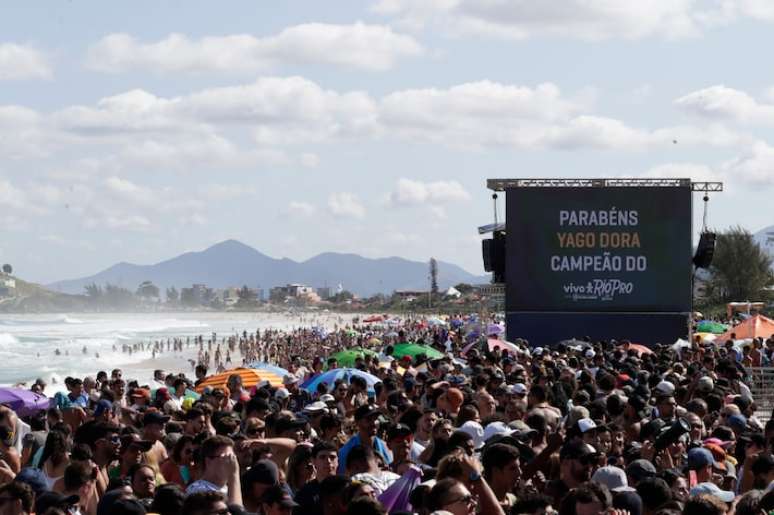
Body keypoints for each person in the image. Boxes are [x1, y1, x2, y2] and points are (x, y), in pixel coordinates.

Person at [186, 435, 242, 506]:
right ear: (208, 461)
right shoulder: (198, 491)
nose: (231, 462)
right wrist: (234, 474)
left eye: (232, 458)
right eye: (226, 457)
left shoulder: (228, 488)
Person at [337, 405, 390, 474]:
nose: (373, 423)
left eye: (376, 419)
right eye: (368, 420)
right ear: (358, 423)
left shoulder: (385, 446)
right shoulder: (346, 451)